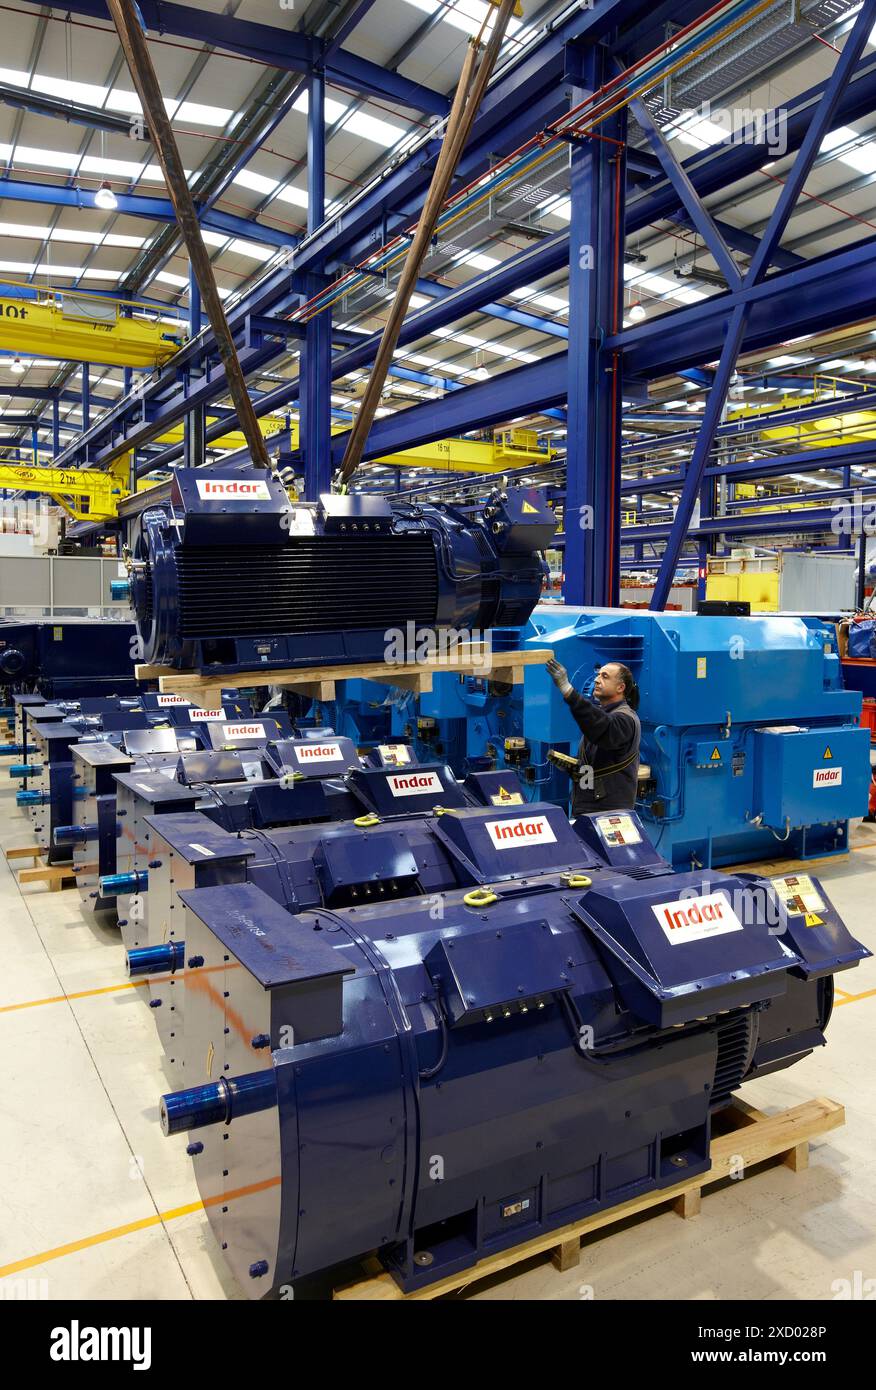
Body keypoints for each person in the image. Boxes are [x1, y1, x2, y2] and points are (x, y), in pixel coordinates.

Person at [546, 657, 641, 815]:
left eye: (605, 676)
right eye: (598, 675)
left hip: (609, 813)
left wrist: (568, 691)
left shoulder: (625, 719)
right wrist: (575, 767)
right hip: (587, 806)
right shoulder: (604, 714)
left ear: (620, 687)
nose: (597, 680)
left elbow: (603, 728)